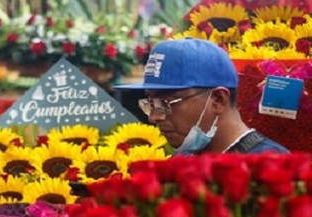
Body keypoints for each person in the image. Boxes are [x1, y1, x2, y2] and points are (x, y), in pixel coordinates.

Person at [116, 38, 288, 155]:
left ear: (218, 100)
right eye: (150, 103)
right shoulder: (184, 161)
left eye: (165, 103)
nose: (154, 117)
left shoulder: (272, 169)